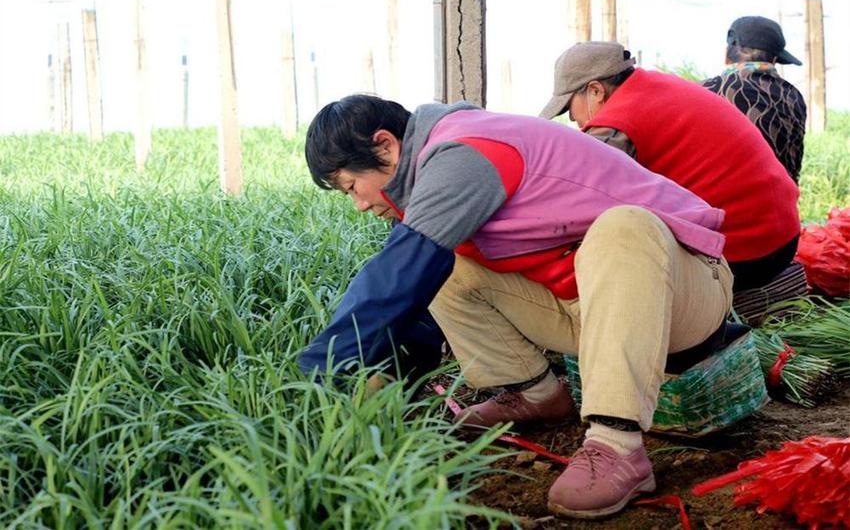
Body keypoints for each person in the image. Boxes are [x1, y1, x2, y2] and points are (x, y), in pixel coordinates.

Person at [299, 94, 733, 519]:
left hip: (683, 288)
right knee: (446, 266)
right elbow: (413, 295)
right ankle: (535, 394)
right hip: (594, 307)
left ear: (386, 145)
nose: (358, 204)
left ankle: (616, 444)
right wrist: (386, 387)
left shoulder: (462, 153)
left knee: (625, 225)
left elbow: (392, 281)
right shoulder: (427, 183)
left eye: (351, 186)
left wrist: (315, 377)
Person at [540, 41, 800, 293]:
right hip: (783, 235)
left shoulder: (617, 122)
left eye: (569, 109)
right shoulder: (656, 86)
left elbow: (572, 199)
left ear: (596, 91)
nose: (574, 120)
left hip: (745, 252)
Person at [703, 16, 807, 183]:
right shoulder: (793, 97)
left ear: (727, 55)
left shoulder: (705, 91)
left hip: (712, 205)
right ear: (774, 60)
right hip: (778, 205)